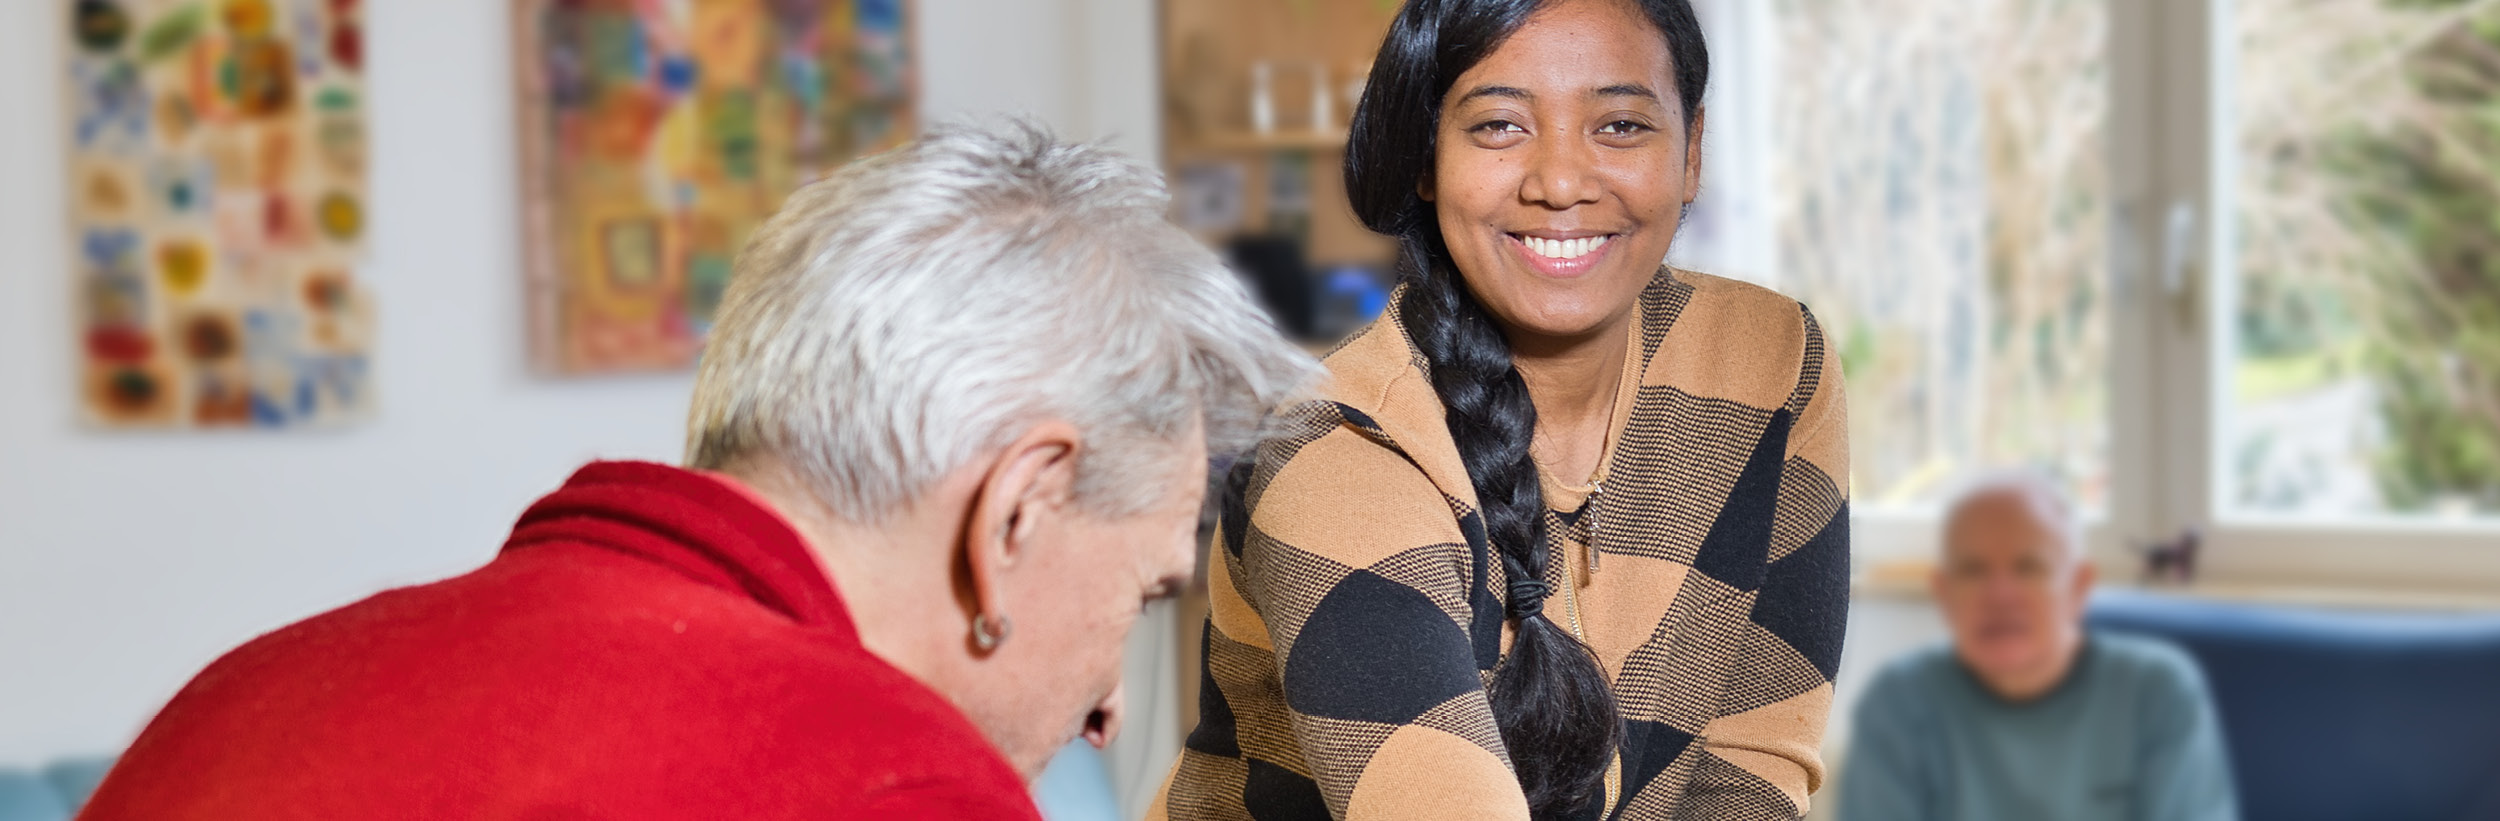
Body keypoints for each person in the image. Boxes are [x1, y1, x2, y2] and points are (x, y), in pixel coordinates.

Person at [78, 121, 1319, 819]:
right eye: (1143, 595)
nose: (1111, 702)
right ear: (1016, 508)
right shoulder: (886, 782)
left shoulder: (251, 687)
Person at [1154, 1, 1851, 818]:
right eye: (1498, 126)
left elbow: (1750, 774)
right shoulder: (1333, 454)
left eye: (1621, 124)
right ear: (1427, 158)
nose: (1560, 182)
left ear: (1691, 150)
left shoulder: (1769, 359)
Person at [1836, 473, 2237, 821]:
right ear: (1944, 593)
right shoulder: (1898, 704)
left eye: (2030, 567)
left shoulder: (2158, 692)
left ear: (2078, 587)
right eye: (1973, 570)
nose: (2000, 594)